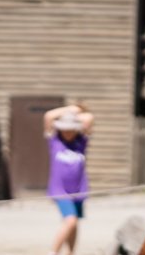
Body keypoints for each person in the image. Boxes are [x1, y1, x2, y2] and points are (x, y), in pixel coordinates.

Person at [43, 103, 94, 255]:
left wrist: (74, 115)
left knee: (74, 223)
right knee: (70, 221)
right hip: (60, 191)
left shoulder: (81, 142)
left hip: (78, 190)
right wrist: (70, 110)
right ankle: (53, 252)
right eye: (65, 128)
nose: (68, 132)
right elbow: (48, 116)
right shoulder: (55, 141)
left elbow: (89, 117)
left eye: (71, 128)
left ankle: (70, 253)